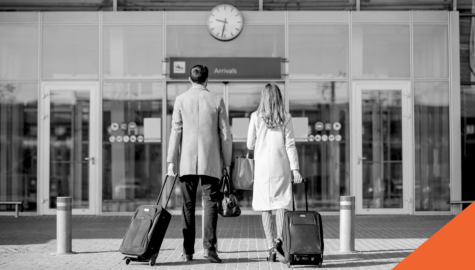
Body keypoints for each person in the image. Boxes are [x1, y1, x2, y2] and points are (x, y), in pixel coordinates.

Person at [167, 65, 232, 263]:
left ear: (190, 79)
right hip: (210, 161)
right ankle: (209, 249)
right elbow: (225, 135)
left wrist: (171, 161)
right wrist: (227, 163)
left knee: (187, 205)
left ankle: (188, 251)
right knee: (210, 203)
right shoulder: (217, 100)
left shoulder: (181, 100)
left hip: (186, 162)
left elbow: (175, 131)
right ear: (207, 80)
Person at [246, 83, 303, 261]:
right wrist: (296, 169)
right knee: (282, 204)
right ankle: (279, 241)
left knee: (265, 207)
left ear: (263, 98)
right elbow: (290, 145)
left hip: (262, 168)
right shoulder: (285, 117)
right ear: (278, 97)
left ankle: (271, 248)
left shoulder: (255, 116)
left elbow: (249, 144)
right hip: (281, 166)